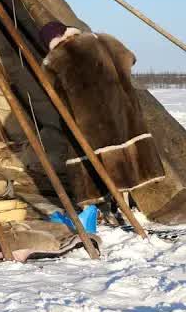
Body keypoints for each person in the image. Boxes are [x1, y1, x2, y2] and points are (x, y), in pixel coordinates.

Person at [39, 21, 166, 212]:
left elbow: (55, 95)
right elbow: (130, 58)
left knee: (104, 156)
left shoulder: (53, 62)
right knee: (127, 143)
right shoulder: (102, 40)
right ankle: (129, 202)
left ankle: (116, 202)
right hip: (122, 106)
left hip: (90, 118)